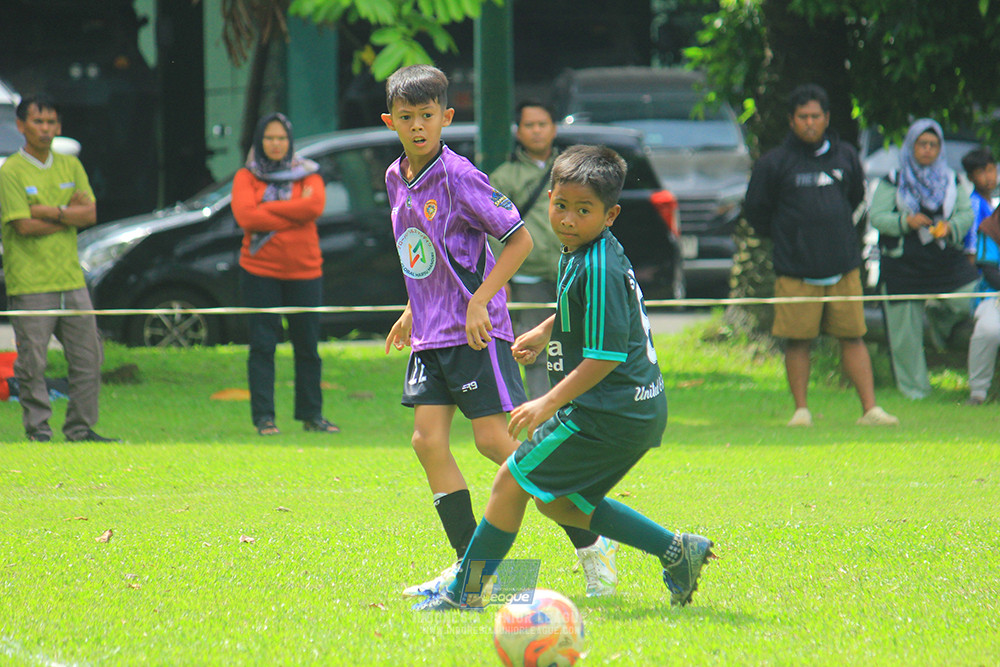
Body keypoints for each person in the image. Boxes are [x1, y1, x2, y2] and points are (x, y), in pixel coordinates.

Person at [414, 145, 715, 613]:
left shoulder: (595, 265)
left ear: (611, 214)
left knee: (510, 483)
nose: (569, 219)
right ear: (549, 197)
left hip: (608, 410)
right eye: (561, 206)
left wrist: (546, 402)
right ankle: (678, 551)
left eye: (584, 210)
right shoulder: (589, 251)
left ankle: (464, 593)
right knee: (558, 501)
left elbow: (605, 357)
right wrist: (544, 329)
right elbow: (591, 313)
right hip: (631, 410)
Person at [380, 65, 617, 602]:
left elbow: (517, 242)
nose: (418, 126)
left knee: (497, 442)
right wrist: (412, 309)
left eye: (427, 116)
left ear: (447, 117)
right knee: (427, 442)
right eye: (407, 117)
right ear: (390, 120)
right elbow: (427, 255)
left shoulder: (459, 175)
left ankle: (593, 539)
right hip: (430, 335)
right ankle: (477, 575)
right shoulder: (396, 177)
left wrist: (481, 301)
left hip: (472, 336)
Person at [744, 84, 898, 427]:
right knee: (798, 340)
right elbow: (756, 212)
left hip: (843, 265)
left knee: (853, 335)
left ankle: (870, 409)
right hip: (795, 269)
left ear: (827, 118)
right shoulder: (774, 163)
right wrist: (790, 238)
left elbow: (856, 197)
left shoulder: (846, 156)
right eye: (803, 117)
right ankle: (801, 411)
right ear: (791, 120)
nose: (810, 123)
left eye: (816, 116)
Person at [0, 95, 117, 443]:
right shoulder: (11, 172)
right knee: (32, 363)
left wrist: (46, 212)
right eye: (38, 122)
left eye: (51, 122)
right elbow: (22, 226)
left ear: (59, 126)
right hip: (31, 281)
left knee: (88, 358)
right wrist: (67, 215)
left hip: (71, 279)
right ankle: (38, 430)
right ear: (21, 126)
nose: (46, 129)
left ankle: (80, 429)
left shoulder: (71, 166)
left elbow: (91, 214)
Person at [231, 112, 339, 436]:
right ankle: (264, 418)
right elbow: (246, 217)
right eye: (269, 138)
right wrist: (292, 217)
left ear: (289, 141)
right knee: (262, 346)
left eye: (281, 138)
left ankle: (312, 415)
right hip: (259, 272)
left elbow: (313, 208)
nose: (275, 144)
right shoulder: (246, 176)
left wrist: (267, 211)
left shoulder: (308, 174)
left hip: (305, 272)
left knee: (307, 346)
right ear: (259, 142)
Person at [869, 118, 980, 399]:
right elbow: (877, 217)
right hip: (903, 265)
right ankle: (915, 391)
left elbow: (966, 215)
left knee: (973, 301)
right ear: (911, 146)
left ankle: (936, 318)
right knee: (904, 332)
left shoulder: (952, 180)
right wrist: (906, 221)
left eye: (933, 145)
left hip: (945, 264)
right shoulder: (893, 180)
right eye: (922, 144)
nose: (928, 150)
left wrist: (950, 227)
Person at [489, 101, 563, 399]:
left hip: (569, 271)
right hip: (527, 277)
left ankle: (579, 417)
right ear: (518, 132)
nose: (536, 131)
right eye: (529, 125)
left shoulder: (570, 169)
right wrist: (500, 277)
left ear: (554, 129)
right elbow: (491, 229)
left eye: (542, 124)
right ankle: (542, 416)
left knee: (582, 345)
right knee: (534, 348)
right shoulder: (504, 177)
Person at [966, 206, 1000, 405]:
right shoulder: (990, 227)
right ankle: (978, 392)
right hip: (993, 296)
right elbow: (990, 272)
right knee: (988, 330)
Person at [960, 147, 997, 265]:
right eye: (981, 172)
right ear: (971, 177)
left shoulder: (992, 204)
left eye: (990, 170)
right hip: (984, 270)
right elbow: (971, 249)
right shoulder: (974, 205)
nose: (988, 177)